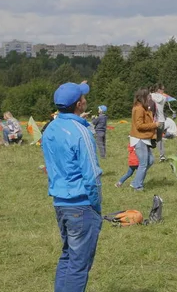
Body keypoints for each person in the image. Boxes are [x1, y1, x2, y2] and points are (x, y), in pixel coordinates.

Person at [42, 81, 103, 292]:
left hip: (60, 203)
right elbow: (92, 174)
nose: (85, 100)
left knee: (68, 256)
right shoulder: (81, 131)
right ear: (80, 104)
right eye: (83, 98)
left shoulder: (50, 128)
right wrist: (95, 206)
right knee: (79, 264)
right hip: (81, 203)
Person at [129, 88, 159, 191]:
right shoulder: (139, 109)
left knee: (150, 161)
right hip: (139, 138)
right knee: (143, 163)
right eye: (148, 96)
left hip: (144, 138)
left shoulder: (143, 108)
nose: (150, 98)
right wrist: (154, 125)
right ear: (144, 97)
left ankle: (135, 182)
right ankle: (137, 186)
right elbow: (139, 125)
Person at [150, 84, 168, 162]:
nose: (163, 91)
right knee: (159, 139)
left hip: (153, 120)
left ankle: (149, 154)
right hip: (161, 120)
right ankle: (162, 156)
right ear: (159, 90)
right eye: (163, 89)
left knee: (149, 137)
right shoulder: (164, 98)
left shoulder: (151, 96)